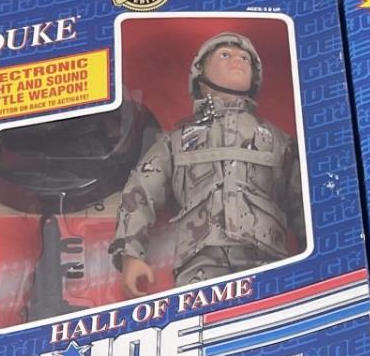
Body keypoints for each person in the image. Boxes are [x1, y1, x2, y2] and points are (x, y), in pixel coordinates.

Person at [111, 30, 306, 293]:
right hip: (200, 257)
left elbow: (303, 199)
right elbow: (141, 190)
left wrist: (317, 255)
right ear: (200, 76)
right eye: (225, 55)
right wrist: (131, 254)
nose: (237, 60)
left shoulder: (279, 140)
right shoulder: (177, 141)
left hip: (266, 255)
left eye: (245, 59)